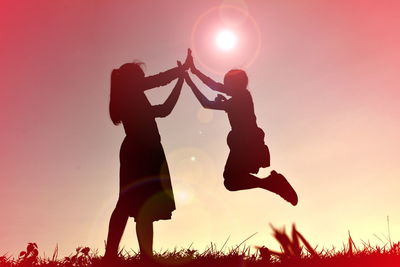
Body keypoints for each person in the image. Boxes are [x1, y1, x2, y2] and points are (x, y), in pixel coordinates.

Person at [104, 53, 190, 262]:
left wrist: (180, 81)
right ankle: (112, 256)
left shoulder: (134, 97)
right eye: (140, 76)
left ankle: (143, 257)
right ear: (131, 78)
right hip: (139, 150)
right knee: (127, 203)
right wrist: (181, 70)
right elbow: (159, 81)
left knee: (142, 206)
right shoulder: (129, 92)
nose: (143, 80)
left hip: (149, 150)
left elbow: (164, 109)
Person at [184, 50, 298, 206]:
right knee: (231, 181)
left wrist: (194, 72)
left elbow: (214, 87)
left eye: (227, 83)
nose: (225, 86)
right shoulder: (236, 100)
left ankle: (272, 182)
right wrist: (190, 81)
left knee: (231, 181)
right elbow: (206, 103)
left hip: (247, 144)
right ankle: (271, 182)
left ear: (235, 84)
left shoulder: (243, 95)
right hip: (245, 144)